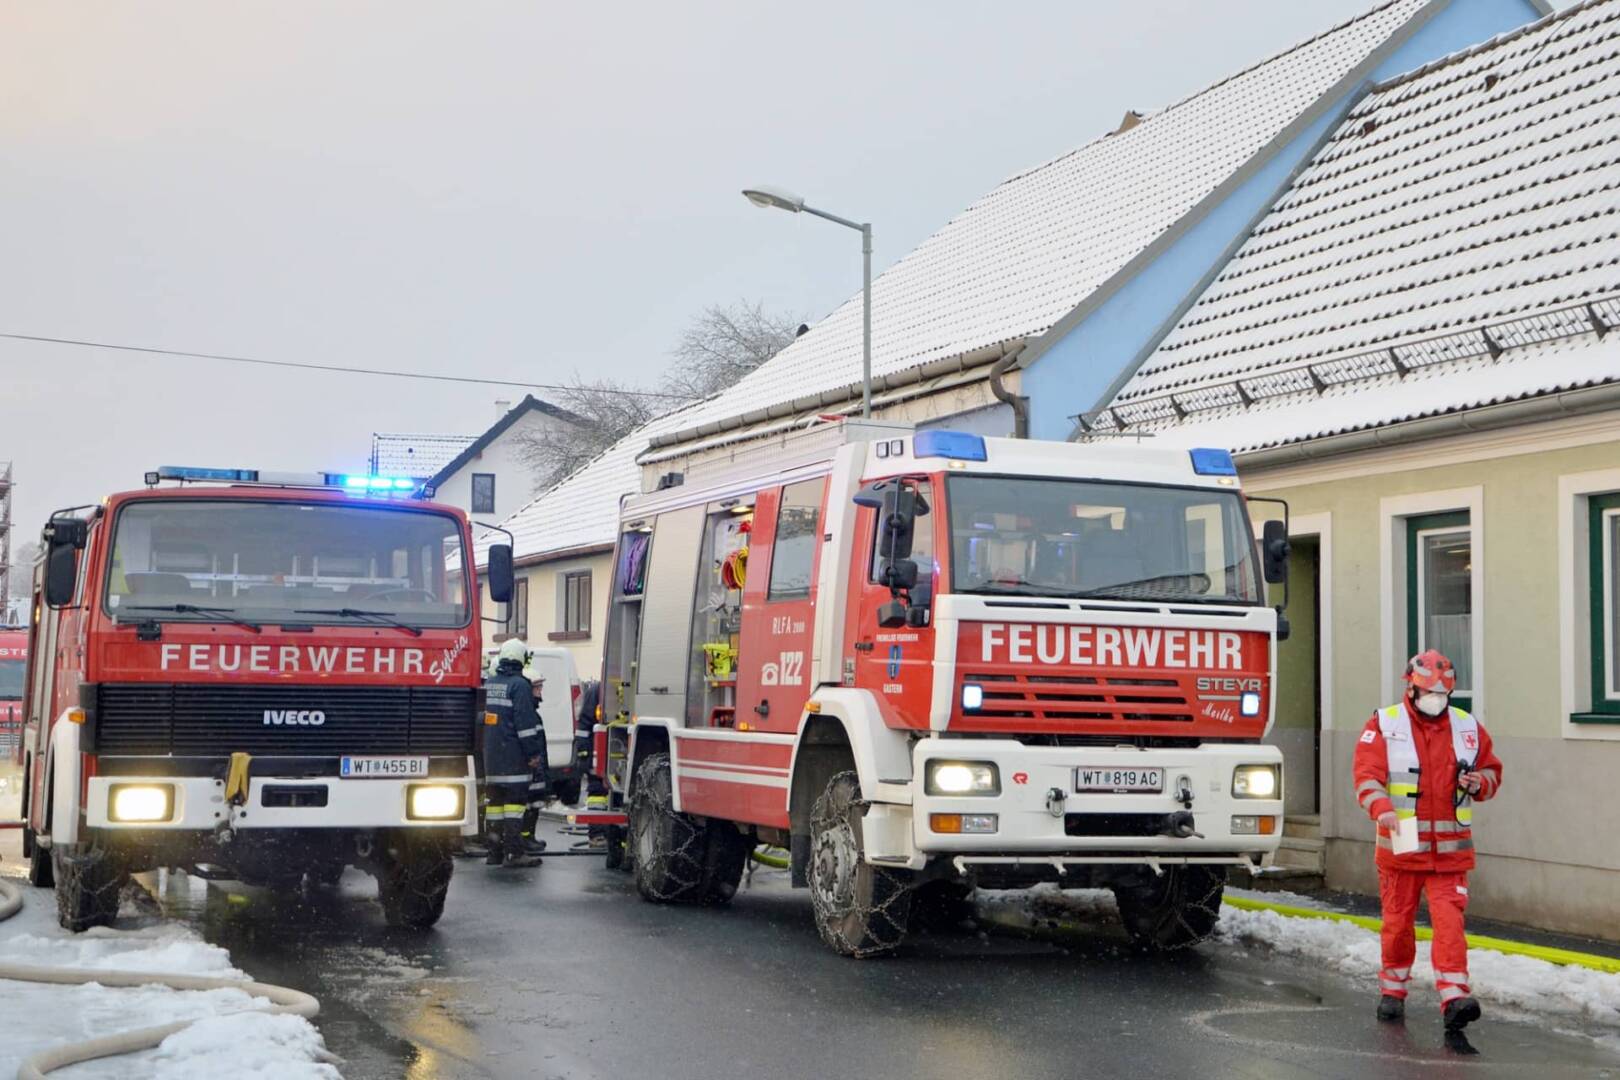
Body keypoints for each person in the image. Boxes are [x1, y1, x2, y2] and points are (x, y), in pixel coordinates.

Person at [1352, 649, 1502, 1049]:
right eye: (1428, 692)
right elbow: (1366, 775)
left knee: (1449, 924)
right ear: (1412, 689)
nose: (1436, 698)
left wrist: (1478, 783)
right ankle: (1393, 991)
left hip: (1450, 851)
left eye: (1442, 693)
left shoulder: (1467, 726)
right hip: (1401, 848)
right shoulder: (1384, 724)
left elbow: (1492, 772)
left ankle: (1455, 998)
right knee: (1398, 924)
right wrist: (1380, 807)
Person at [482, 638, 547, 868]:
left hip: (491, 759)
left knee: (495, 806)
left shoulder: (490, 682)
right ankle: (514, 853)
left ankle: (494, 852)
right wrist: (533, 755)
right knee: (514, 806)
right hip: (514, 759)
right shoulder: (519, 686)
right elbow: (526, 726)